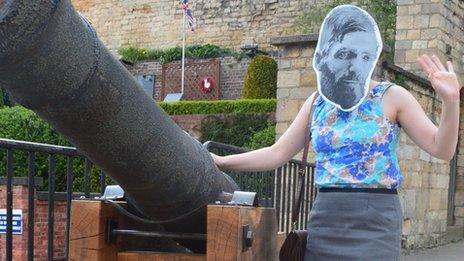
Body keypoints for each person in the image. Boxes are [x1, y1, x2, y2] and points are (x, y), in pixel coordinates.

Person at [210, 5, 461, 261]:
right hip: (327, 218)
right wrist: (221, 161)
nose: (355, 65)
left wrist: (451, 102)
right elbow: (277, 153)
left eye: (364, 56)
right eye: (345, 54)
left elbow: (442, 148)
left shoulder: (392, 97)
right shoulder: (317, 103)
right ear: (324, 56)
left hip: (377, 222)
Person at [314, 5, 382, 111]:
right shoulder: (315, 105)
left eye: (366, 57)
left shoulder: (392, 99)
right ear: (319, 60)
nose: (356, 68)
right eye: (344, 55)